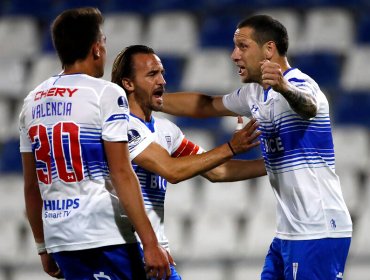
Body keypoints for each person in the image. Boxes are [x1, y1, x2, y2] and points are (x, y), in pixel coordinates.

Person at [161, 15, 352, 280]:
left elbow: (308, 106)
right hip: (289, 231)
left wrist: (283, 87)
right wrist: (152, 101)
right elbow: (206, 105)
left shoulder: (301, 85)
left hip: (319, 229)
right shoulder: (253, 94)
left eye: (242, 46)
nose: (233, 55)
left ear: (269, 49)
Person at [19, 8, 172, 280]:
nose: (104, 46)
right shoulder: (105, 93)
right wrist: (150, 243)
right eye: (103, 40)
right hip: (104, 236)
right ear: (96, 49)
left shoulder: (32, 101)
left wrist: (43, 247)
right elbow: (122, 172)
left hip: (61, 239)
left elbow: (32, 187)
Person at [111, 44, 267, 279]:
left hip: (154, 251)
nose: (162, 81)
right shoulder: (120, 126)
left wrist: (274, 165)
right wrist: (232, 147)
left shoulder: (167, 131)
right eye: (152, 74)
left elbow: (217, 171)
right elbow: (171, 171)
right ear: (128, 83)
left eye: (162, 73)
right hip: (122, 250)